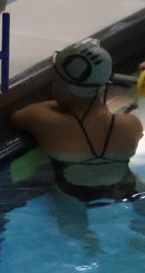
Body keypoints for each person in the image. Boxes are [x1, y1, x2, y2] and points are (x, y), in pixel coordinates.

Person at [10, 40, 142, 195]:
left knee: (61, 201)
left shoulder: (45, 121)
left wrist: (61, 105)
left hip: (71, 192)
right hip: (123, 186)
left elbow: (15, 118)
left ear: (63, 88)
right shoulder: (130, 125)